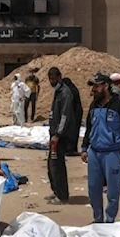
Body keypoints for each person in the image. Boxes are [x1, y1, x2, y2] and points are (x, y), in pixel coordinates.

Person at [81, 73, 120, 223]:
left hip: (112, 153)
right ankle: (97, 219)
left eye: (97, 86)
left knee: (112, 191)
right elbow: (89, 129)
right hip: (95, 153)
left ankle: (110, 220)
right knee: (93, 189)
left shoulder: (118, 105)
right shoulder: (93, 106)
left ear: (106, 86)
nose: (94, 89)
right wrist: (85, 147)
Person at [45, 67, 75, 205]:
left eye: (53, 79)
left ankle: (62, 195)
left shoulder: (65, 93)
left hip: (60, 137)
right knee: (51, 165)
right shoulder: (58, 92)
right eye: (50, 79)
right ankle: (56, 190)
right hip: (54, 135)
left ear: (59, 77)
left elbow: (65, 115)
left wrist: (58, 134)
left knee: (57, 165)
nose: (51, 81)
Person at [62, 77, 83, 155]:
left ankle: (70, 149)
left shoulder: (71, 91)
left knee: (72, 131)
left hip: (75, 113)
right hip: (75, 112)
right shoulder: (72, 89)